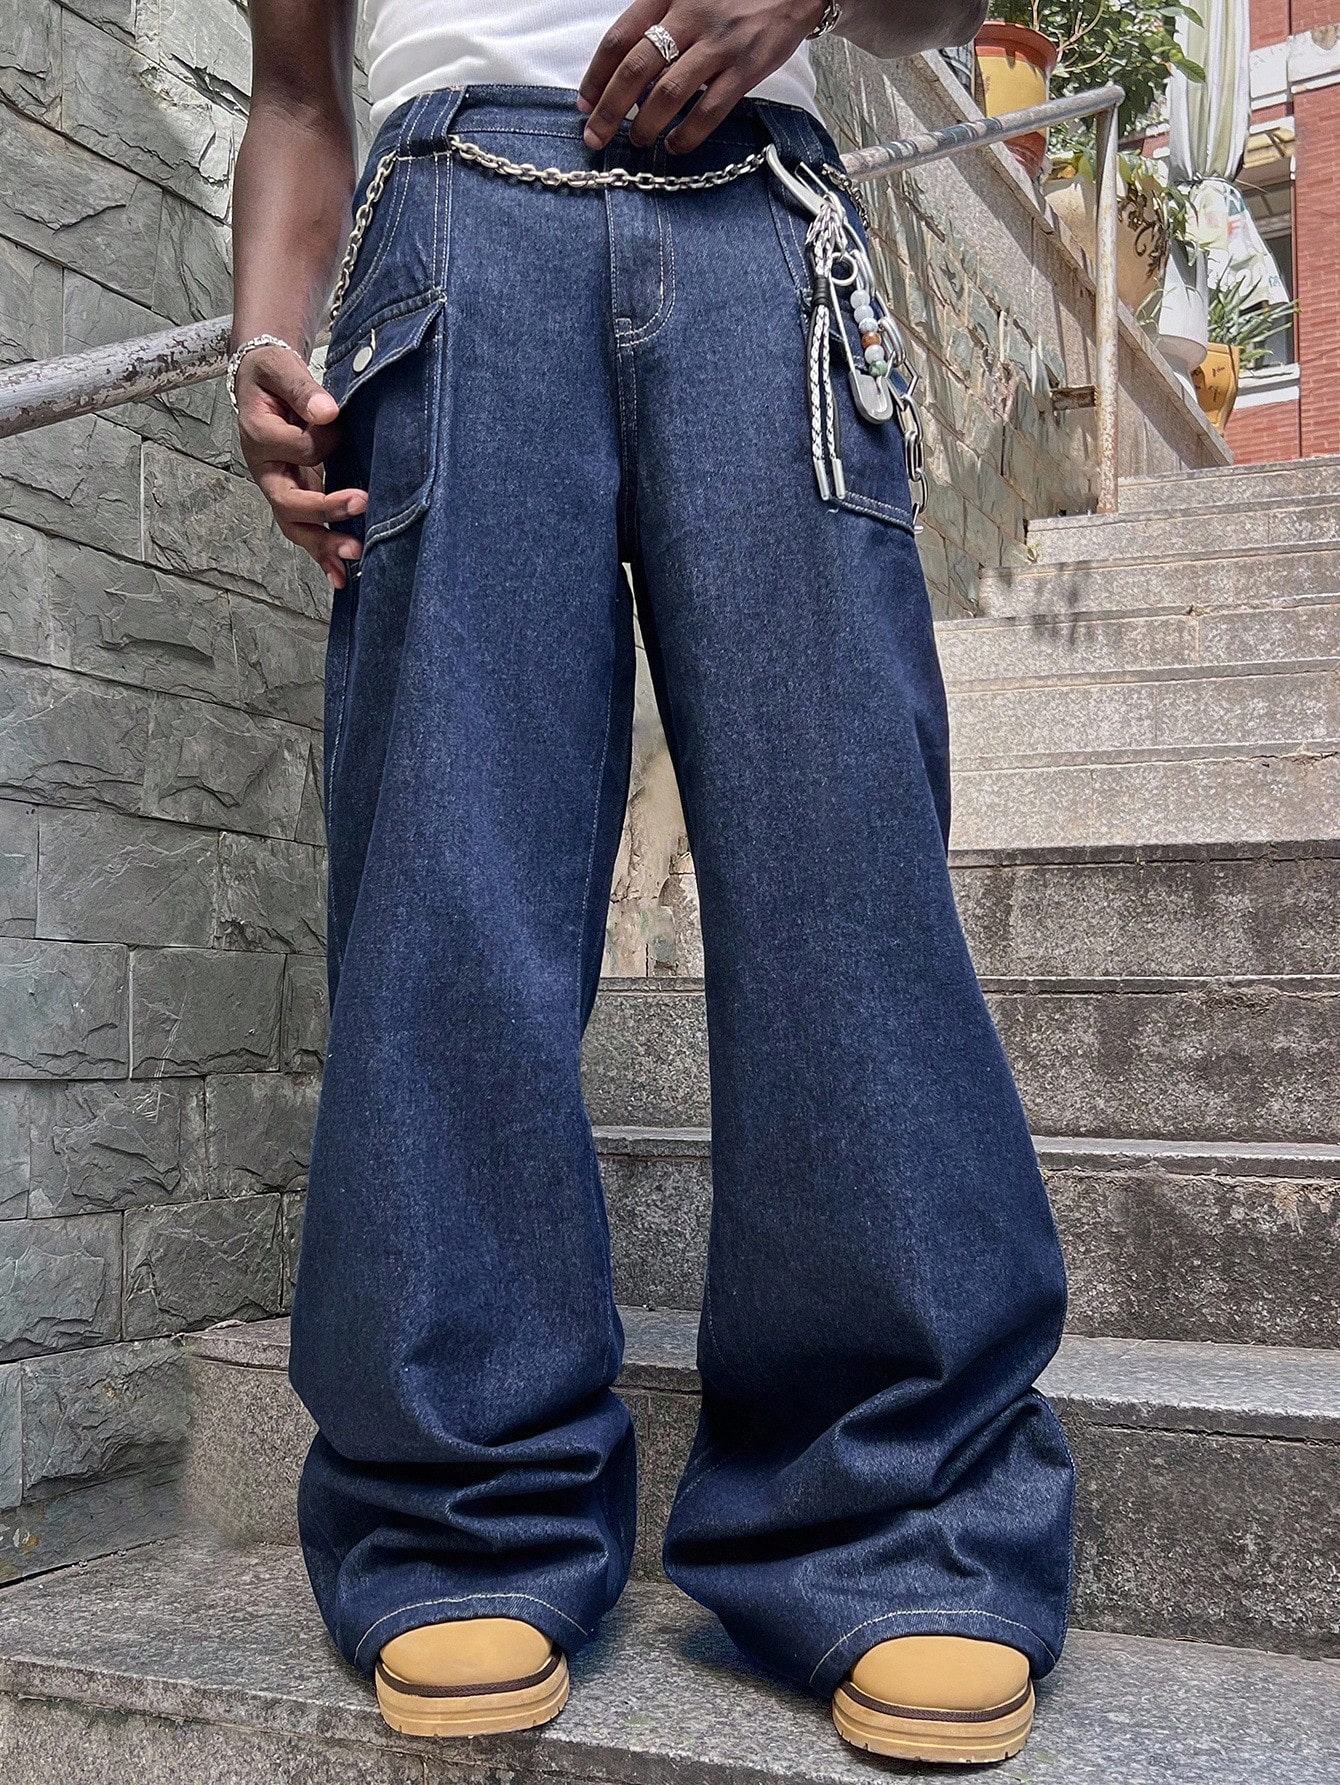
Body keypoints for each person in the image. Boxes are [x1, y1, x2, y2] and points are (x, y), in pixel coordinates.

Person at [229, 0, 1075, 1766]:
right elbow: (298, 88)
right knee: (451, 876)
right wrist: (266, 340)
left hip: (763, 211)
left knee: (844, 868)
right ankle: (462, 1510)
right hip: (450, 228)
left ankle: (901, 1512)